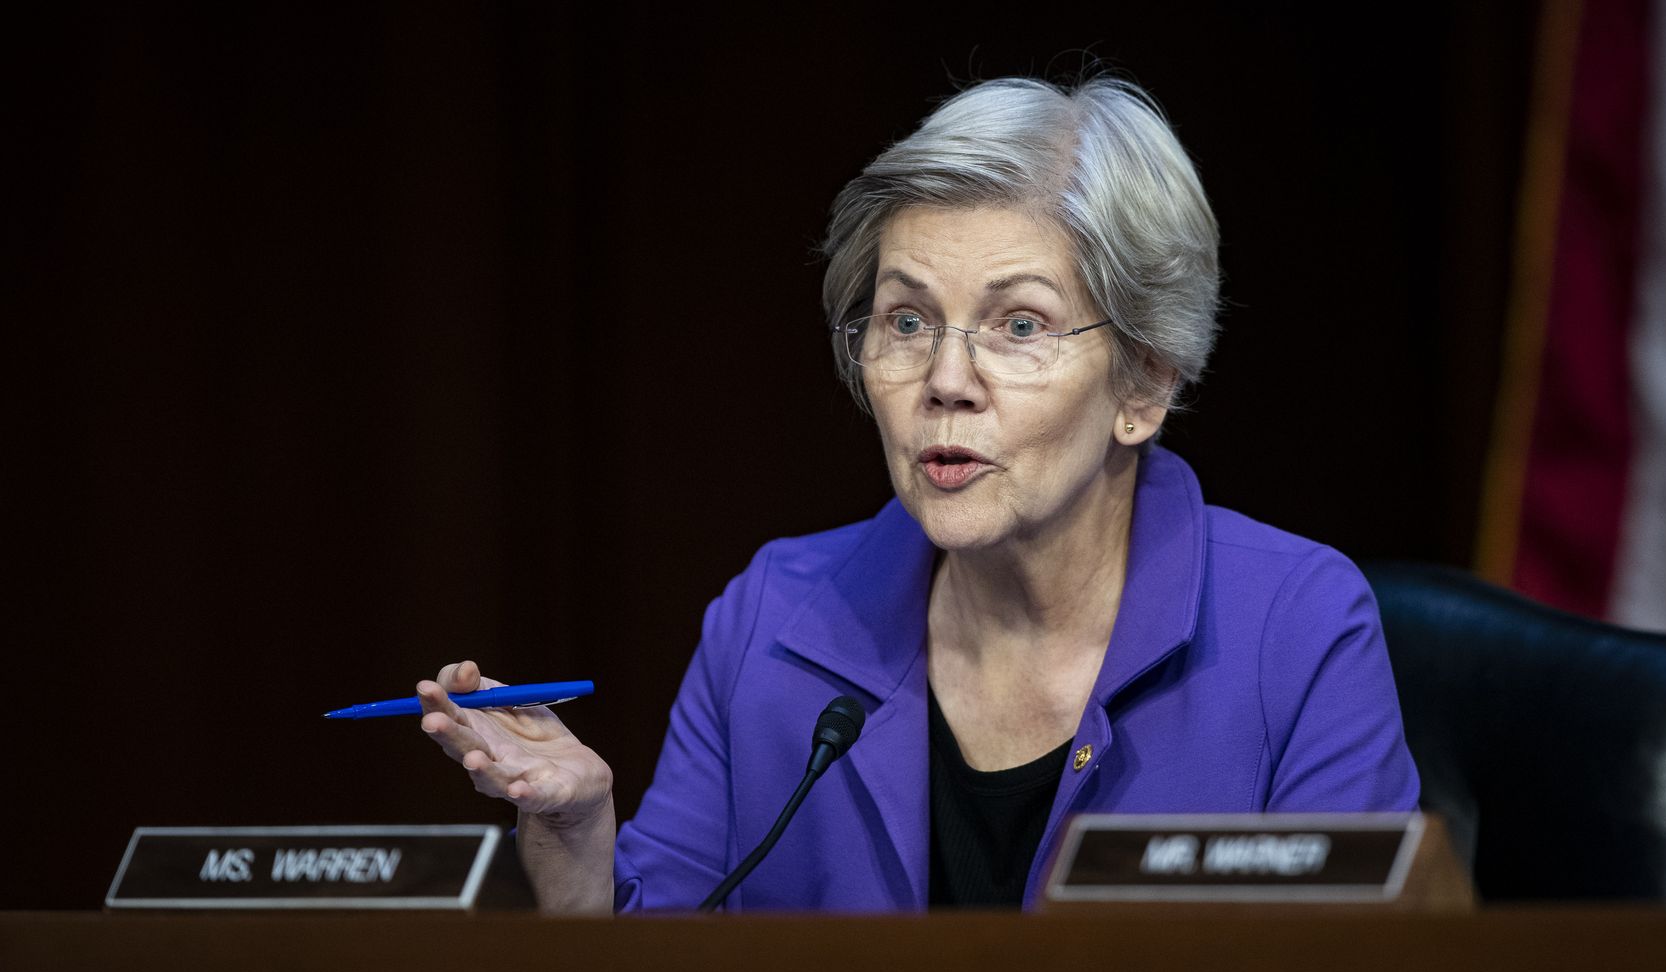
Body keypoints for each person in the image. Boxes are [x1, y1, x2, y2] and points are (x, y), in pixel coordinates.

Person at [416, 75, 1419, 913]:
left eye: (1019, 326)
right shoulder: (773, 620)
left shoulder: (1297, 628)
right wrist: (580, 837)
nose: (945, 378)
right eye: (906, 322)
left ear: (1146, 382)